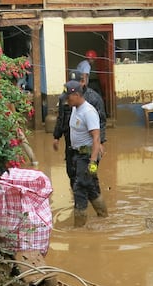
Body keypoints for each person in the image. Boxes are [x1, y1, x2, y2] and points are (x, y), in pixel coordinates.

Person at [63, 80, 106, 227]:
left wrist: (93, 162)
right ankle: (103, 215)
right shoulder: (75, 108)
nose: (67, 100)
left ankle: (78, 227)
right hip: (78, 155)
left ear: (76, 95)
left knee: (80, 188)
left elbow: (96, 137)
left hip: (87, 156)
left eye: (68, 97)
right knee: (91, 186)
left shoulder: (88, 112)